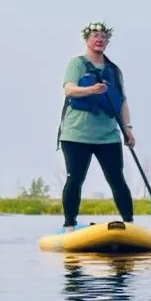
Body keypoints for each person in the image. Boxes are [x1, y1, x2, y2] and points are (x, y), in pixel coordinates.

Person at [58, 22, 136, 229]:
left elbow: (122, 102)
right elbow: (69, 90)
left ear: (107, 41)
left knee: (117, 179)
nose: (99, 39)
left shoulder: (114, 70)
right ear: (87, 40)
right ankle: (69, 225)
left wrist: (128, 129)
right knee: (75, 179)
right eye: (95, 35)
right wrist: (92, 90)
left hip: (108, 135)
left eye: (103, 36)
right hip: (76, 135)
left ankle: (129, 223)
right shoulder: (77, 64)